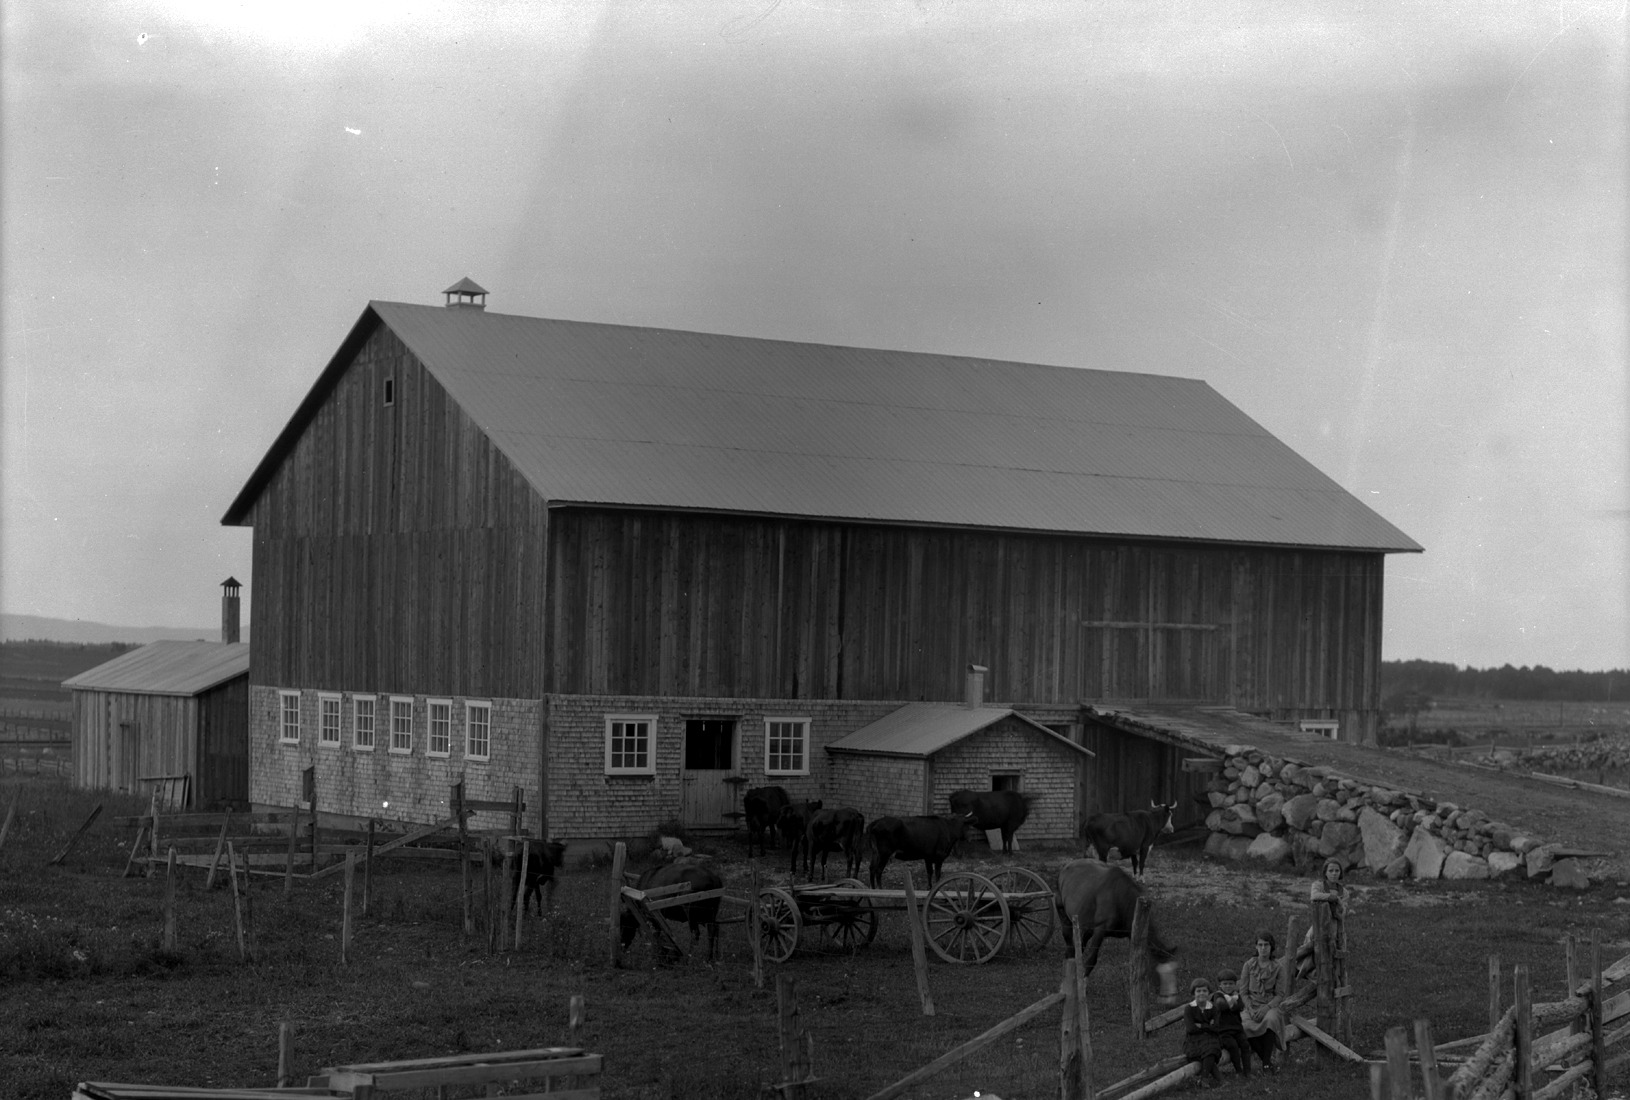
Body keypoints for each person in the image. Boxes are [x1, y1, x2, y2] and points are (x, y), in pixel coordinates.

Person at [1239, 930, 1288, 1072]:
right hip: (1251, 1005)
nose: (1263, 948)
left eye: (1266, 945)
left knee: (1271, 1020)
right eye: (1260, 945)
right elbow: (1243, 992)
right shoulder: (1249, 965)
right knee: (1244, 1025)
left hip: (1270, 1005)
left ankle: (1266, 1064)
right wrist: (1250, 1008)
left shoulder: (1278, 968)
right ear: (1256, 947)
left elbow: (1280, 995)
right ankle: (1267, 1061)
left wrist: (1266, 1008)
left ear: (1271, 947)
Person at [1295, 858, 1348, 979]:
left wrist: (1338, 905)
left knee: (1335, 953)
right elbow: (1314, 896)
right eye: (1331, 870)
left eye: (1337, 871)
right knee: (1313, 947)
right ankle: (1304, 970)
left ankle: (1331, 977)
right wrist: (1331, 897)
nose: (1334, 873)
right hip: (1319, 925)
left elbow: (1342, 913)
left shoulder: (1344, 892)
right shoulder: (1318, 885)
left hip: (1336, 927)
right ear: (1325, 872)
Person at [1182, 976, 1224, 1088]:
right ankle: (1218, 1079)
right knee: (1208, 1050)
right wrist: (1208, 1026)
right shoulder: (1189, 1009)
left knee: (1211, 1048)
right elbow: (1191, 1029)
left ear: (1209, 993)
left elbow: (1216, 1028)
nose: (1201, 993)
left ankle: (1204, 1079)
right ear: (1193, 993)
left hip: (1211, 1038)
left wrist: (1201, 1025)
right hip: (1193, 1040)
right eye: (1198, 991)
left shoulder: (1213, 1008)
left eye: (1204, 991)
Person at [1211, 971, 1250, 1078]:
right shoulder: (1218, 995)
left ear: (1235, 984)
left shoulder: (1237, 995)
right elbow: (1220, 1005)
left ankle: (1248, 1071)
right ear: (1220, 985)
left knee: (1245, 1045)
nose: (1228, 986)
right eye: (1225, 984)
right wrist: (1233, 1004)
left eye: (1231, 983)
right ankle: (1238, 1070)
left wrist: (1231, 1004)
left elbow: (1241, 1006)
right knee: (1233, 1046)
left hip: (1237, 1028)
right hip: (1223, 1031)